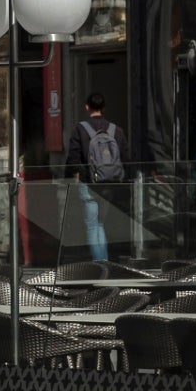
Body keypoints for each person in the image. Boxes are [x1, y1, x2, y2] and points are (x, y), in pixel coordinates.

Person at [62, 94, 128, 264]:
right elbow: (126, 157)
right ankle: (104, 261)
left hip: (89, 182)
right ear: (104, 108)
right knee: (100, 223)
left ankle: (99, 263)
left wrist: (72, 177)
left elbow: (73, 158)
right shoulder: (116, 130)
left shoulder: (80, 129)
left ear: (87, 107)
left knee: (92, 225)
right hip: (110, 183)